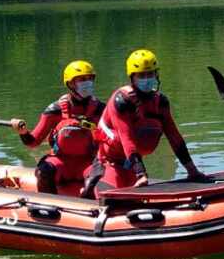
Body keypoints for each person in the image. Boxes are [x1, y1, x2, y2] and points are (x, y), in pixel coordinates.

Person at [81, 48, 207, 196]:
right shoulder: (122, 101)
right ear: (132, 77)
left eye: (150, 74)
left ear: (156, 74)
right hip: (108, 163)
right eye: (141, 75)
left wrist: (192, 170)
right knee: (112, 199)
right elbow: (127, 139)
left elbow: (175, 137)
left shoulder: (160, 102)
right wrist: (141, 173)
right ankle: (88, 186)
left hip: (131, 164)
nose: (147, 79)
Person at [11, 60, 105, 196]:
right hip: (60, 161)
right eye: (82, 79)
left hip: (88, 162)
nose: (87, 83)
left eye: (90, 79)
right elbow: (33, 142)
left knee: (100, 176)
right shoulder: (55, 110)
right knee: (44, 171)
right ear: (70, 83)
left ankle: (90, 206)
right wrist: (23, 132)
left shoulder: (101, 110)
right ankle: (48, 206)